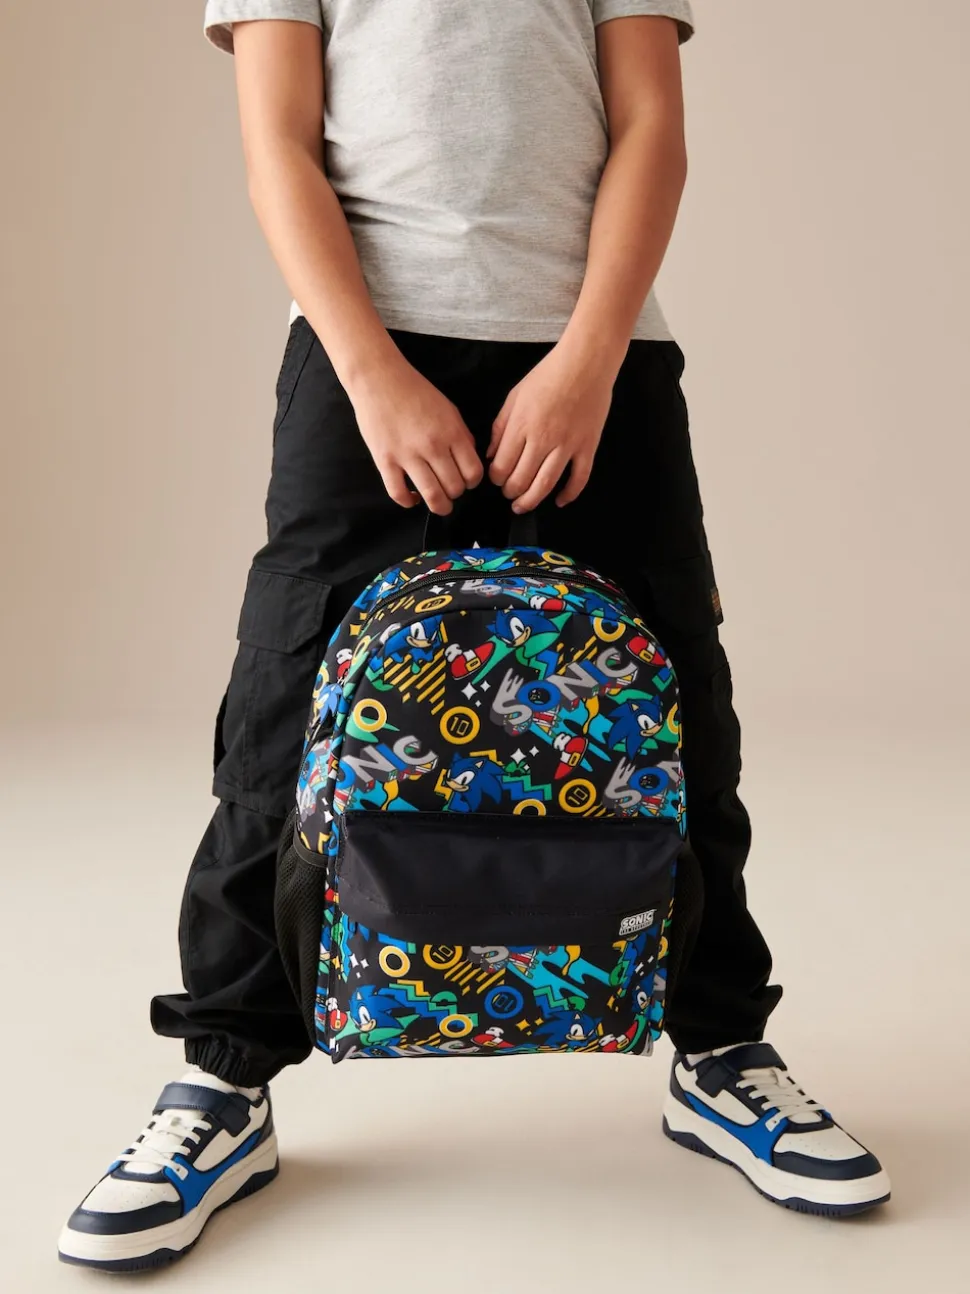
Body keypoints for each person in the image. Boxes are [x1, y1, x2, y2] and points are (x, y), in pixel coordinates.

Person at [58, 0, 889, 1272]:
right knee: (282, 725)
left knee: (675, 717)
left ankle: (719, 1047)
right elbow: (279, 144)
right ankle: (224, 1080)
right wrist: (372, 374)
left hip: (598, 360)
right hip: (364, 358)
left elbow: (650, 128)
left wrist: (588, 363)